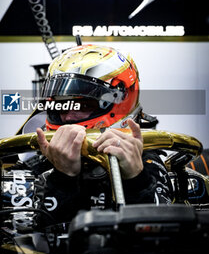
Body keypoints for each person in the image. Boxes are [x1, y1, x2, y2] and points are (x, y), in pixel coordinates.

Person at [34, 44, 173, 226]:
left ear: (120, 102)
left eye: (83, 105)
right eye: (62, 105)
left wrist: (136, 180)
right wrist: (63, 178)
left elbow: (162, 239)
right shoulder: (36, 167)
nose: (67, 117)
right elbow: (30, 243)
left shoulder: (148, 163)